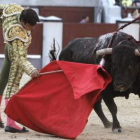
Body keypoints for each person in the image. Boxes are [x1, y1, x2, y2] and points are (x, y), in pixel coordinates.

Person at [0, 3, 40, 132]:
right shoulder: (17, 33)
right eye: (30, 26)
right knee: (12, 85)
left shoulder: (14, 9)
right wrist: (31, 70)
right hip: (14, 51)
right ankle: (10, 123)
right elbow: (19, 58)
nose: (31, 29)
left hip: (7, 47)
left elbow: (3, 8)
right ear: (22, 21)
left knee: (2, 82)